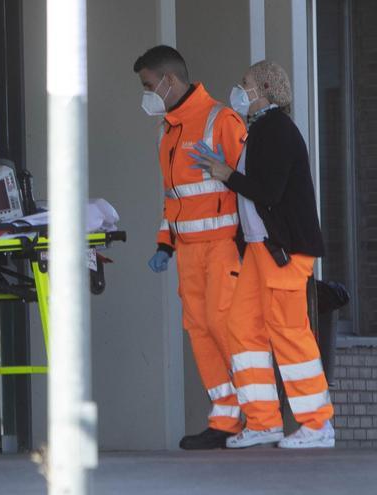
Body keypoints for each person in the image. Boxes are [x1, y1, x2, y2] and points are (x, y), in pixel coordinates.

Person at [190, 61, 334, 449]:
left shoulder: (276, 131)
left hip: (282, 251)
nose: (240, 89)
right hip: (261, 249)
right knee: (242, 328)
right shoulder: (262, 131)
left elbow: (268, 192)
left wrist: (225, 173)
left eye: (246, 83)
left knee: (289, 333)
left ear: (266, 90)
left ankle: (316, 424)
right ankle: (264, 421)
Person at [134, 46, 248, 449]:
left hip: (223, 246)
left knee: (224, 327)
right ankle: (225, 419)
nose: (146, 93)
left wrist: (249, 245)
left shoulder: (221, 120)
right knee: (199, 330)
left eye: (149, 85)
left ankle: (258, 413)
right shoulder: (167, 131)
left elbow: (249, 187)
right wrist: (164, 244)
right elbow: (174, 197)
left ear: (169, 80)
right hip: (188, 252)